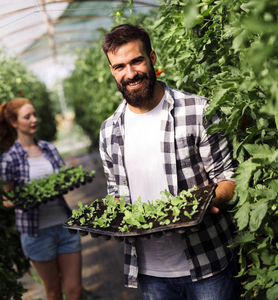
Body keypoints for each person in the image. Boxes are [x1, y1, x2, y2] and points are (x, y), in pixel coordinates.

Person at [99, 23, 240, 300]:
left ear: (152, 58)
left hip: (207, 263)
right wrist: (109, 218)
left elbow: (229, 178)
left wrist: (206, 204)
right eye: (119, 66)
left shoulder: (198, 110)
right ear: (112, 70)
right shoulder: (109, 131)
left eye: (136, 61)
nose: (130, 74)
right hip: (151, 274)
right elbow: (115, 193)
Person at [0, 98, 82, 300]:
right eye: (27, 117)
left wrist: (67, 182)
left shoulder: (49, 149)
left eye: (34, 114)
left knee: (75, 290)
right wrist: (25, 198)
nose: (34, 119)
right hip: (36, 234)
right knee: (53, 291)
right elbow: (5, 199)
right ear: (15, 123)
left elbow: (62, 180)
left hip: (65, 226)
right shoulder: (9, 159)